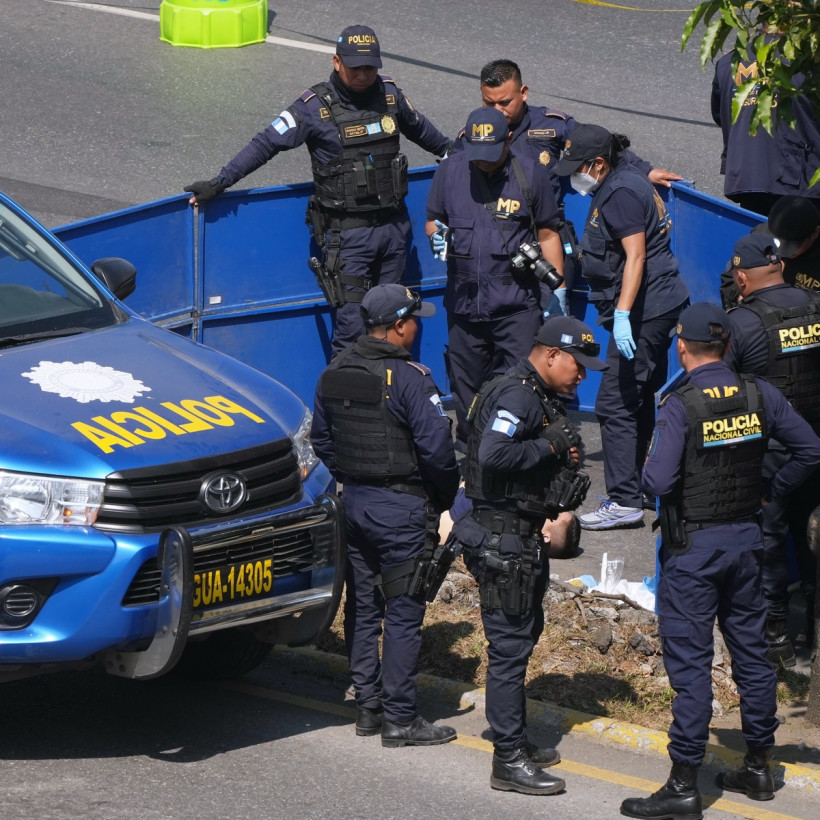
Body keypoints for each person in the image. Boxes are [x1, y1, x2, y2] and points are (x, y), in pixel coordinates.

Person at [620, 303, 820, 819]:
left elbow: (656, 483)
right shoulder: (759, 392)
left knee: (690, 668)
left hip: (694, 554)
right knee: (751, 657)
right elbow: (809, 449)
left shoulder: (678, 404)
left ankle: (684, 782)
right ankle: (758, 767)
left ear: (681, 346)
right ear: (726, 346)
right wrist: (770, 492)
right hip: (747, 546)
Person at [185, 25, 452, 355]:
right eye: (356, 67)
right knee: (353, 331)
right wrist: (219, 182)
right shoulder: (312, 107)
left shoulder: (390, 96)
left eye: (371, 67)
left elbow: (428, 135)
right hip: (348, 239)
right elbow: (265, 144)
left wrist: (463, 156)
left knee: (396, 327)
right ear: (337, 62)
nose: (364, 75)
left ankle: (390, 401)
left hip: (394, 233)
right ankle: (343, 404)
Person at [451, 315, 607, 795]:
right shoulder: (518, 394)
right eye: (578, 365)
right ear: (551, 353)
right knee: (509, 648)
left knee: (522, 637)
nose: (582, 376)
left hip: (518, 536)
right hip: (502, 540)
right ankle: (508, 760)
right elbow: (492, 456)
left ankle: (511, 737)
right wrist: (549, 444)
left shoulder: (535, 392)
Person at [310, 283, 460, 747]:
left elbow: (321, 440)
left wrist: (354, 476)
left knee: (362, 606)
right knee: (402, 612)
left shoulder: (334, 371)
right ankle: (400, 719)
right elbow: (438, 453)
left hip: (354, 504)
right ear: (398, 326)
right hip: (401, 510)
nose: (418, 327)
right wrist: (440, 499)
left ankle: (369, 709)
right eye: (415, 319)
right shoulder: (411, 378)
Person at [455, 59, 683, 316]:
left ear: (524, 92)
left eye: (505, 102)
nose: (498, 110)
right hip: (496, 240)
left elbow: (598, 146)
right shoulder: (473, 136)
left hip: (546, 237)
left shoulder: (551, 124)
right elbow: (453, 179)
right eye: (489, 103)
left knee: (553, 325)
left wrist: (645, 170)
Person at [553, 124, 690, 530]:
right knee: (639, 393)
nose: (573, 175)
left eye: (578, 167)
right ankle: (641, 487)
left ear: (598, 164)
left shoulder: (619, 196)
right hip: (657, 305)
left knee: (614, 403)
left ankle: (624, 499)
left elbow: (635, 257)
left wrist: (625, 315)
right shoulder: (624, 173)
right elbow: (625, 154)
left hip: (645, 310)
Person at [425, 106, 565, 444]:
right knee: (467, 390)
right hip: (463, 307)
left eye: (491, 152)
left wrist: (557, 294)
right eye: (477, 152)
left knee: (522, 389)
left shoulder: (531, 174)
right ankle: (476, 465)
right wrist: (436, 236)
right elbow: (433, 219)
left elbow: (548, 234)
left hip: (516, 307)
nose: (483, 160)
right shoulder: (450, 170)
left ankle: (519, 458)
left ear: (510, 139)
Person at [723, 232, 820, 664]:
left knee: (769, 541)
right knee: (812, 536)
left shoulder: (740, 323)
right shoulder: (815, 305)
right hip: (814, 445)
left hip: (769, 453)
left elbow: (720, 395)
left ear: (741, 276)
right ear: (779, 265)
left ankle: (775, 635)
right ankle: (814, 635)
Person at [711, 50, 820, 216]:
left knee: (760, 237)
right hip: (798, 179)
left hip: (748, 175)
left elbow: (721, 115)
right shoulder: (808, 61)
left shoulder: (729, 62)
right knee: (800, 239)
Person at [767, 195, 820, 293]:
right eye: (779, 241)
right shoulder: (761, 238)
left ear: (816, 233)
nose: (784, 252)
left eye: (795, 244)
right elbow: (733, 278)